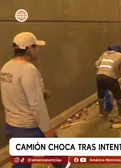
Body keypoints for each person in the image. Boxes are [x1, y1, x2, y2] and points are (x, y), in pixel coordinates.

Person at [0, 32, 69, 168]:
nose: (39, 50)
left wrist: (40, 92)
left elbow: (13, 92)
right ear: (29, 48)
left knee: (21, 163)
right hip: (30, 127)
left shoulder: (6, 67)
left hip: (13, 125)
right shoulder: (29, 70)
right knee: (60, 158)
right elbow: (37, 105)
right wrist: (47, 131)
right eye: (36, 46)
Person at [95, 45, 121, 118]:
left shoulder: (105, 53)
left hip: (99, 76)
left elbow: (96, 64)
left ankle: (101, 112)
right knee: (118, 94)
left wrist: (102, 68)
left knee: (100, 94)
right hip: (110, 77)